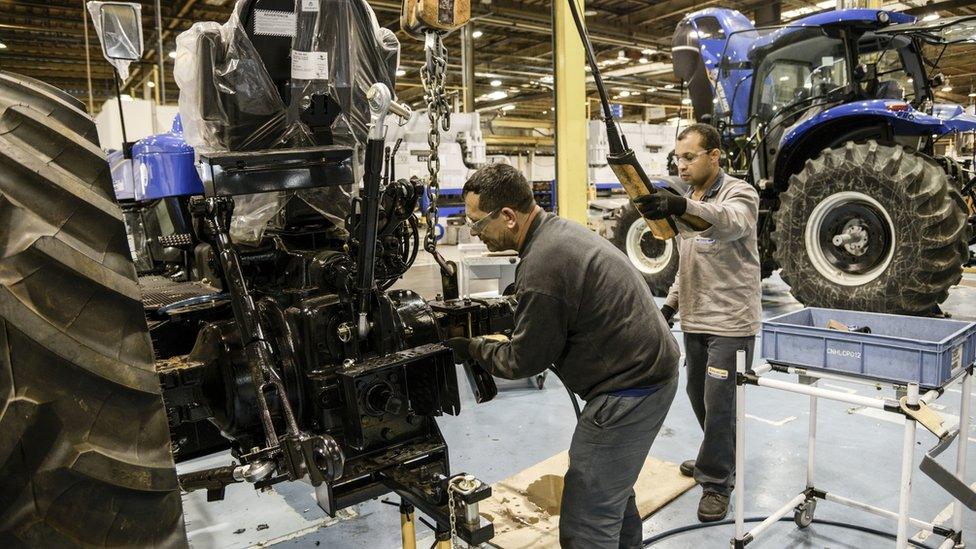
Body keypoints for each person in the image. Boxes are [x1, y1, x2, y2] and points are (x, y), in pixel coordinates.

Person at [444, 163, 680, 549]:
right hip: (649, 369)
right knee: (611, 493)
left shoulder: (543, 264)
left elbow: (524, 361)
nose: (475, 233)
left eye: (477, 224)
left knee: (586, 520)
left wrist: (473, 348)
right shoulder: (555, 232)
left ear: (507, 216)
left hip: (631, 387)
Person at [633, 123, 761, 523]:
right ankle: (716, 457)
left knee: (721, 405)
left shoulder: (739, 194)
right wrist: (669, 307)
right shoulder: (691, 198)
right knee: (698, 395)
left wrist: (679, 207)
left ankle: (717, 481)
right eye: (678, 158)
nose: (681, 165)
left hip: (730, 321)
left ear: (714, 156)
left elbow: (726, 223)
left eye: (689, 157)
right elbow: (689, 264)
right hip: (695, 319)